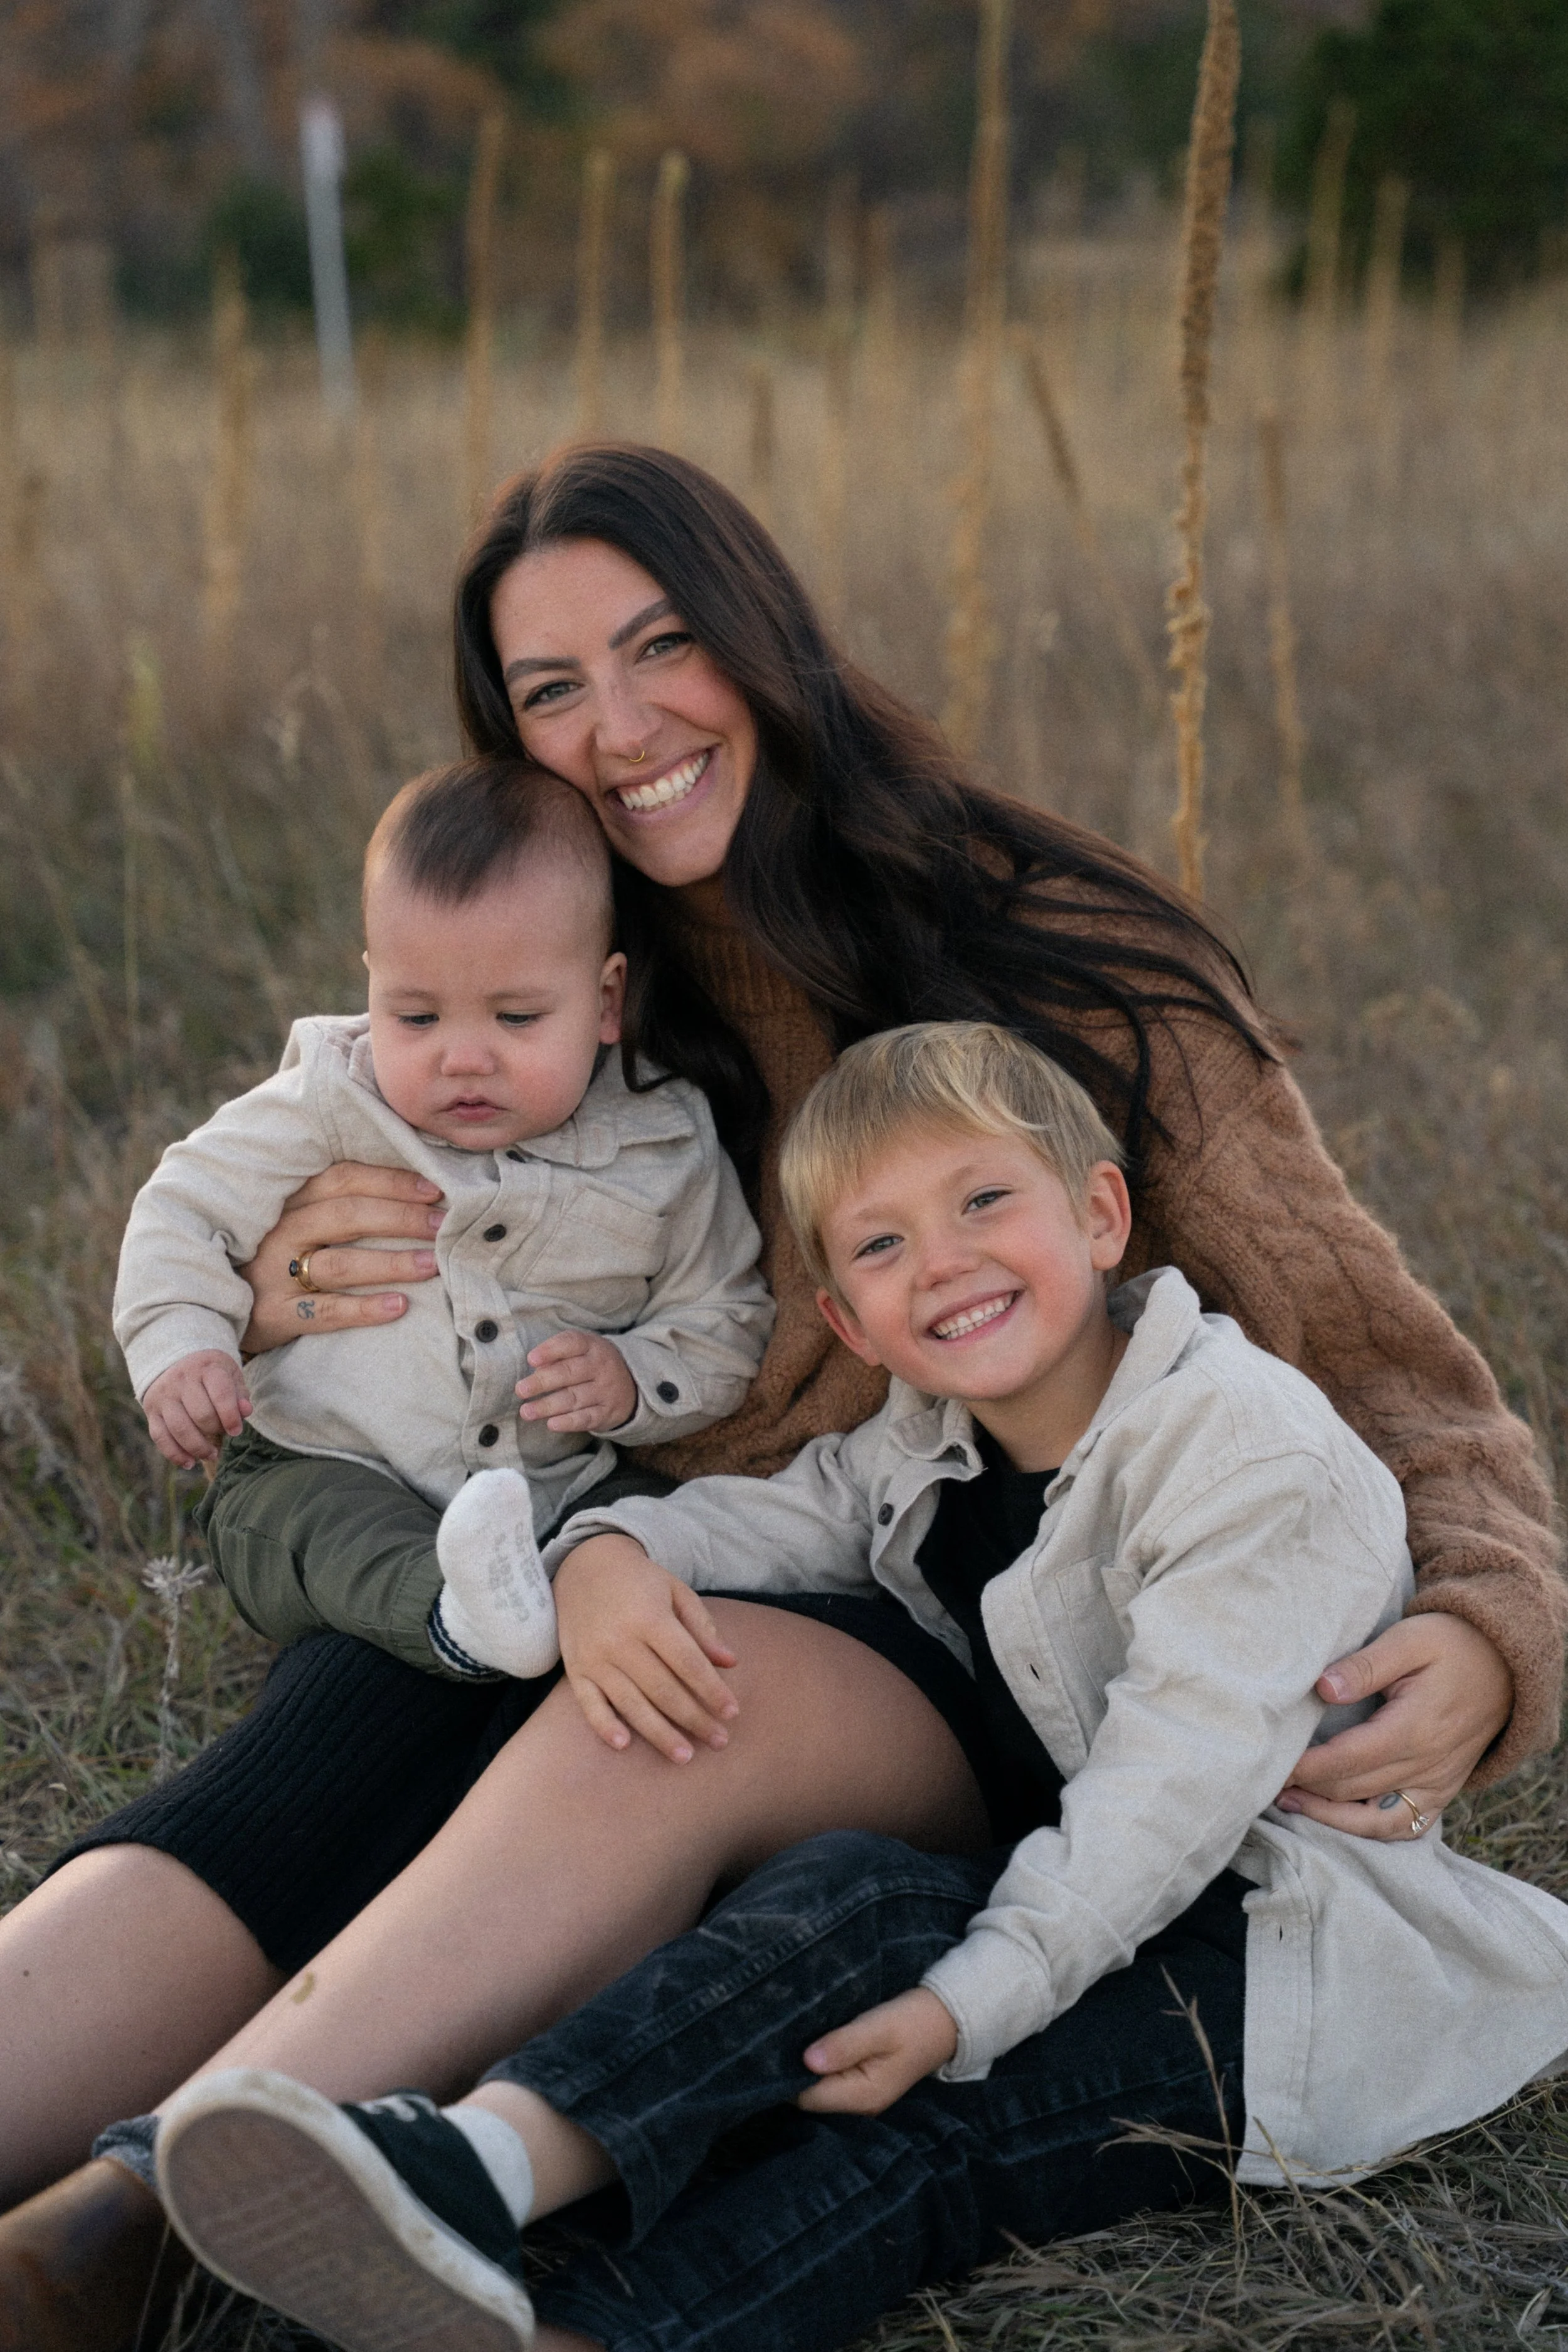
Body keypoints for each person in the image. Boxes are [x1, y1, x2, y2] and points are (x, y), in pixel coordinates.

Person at [0, 446, 1559, 2344]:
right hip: (648, 1549)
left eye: (662, 649)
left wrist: (1492, 1619)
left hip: (997, 1650)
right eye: (551, 691)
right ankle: (53, 2205)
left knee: (667, 1689)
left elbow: (1397, 1376)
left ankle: (139, 2214)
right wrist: (268, 1291)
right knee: (383, 1687)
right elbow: (336, 1226)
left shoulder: (1064, 960)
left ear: (764, 641)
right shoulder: (545, 991)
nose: (623, 727)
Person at [134, 1023, 1568, 2352]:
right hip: (1068, 1890)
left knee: (918, 2130)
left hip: (1269, 1955)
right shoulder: (930, 1433)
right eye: (884, 1243)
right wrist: (611, 1551)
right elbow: (787, 1511)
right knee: (830, 1902)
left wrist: (970, 2000)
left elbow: (1167, 1797)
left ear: (1100, 1216)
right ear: (850, 1318)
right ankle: (472, 2171)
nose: (941, 1262)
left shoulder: (1243, 1458)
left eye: (982, 1204)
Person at [115, 755, 772, 1682]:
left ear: (606, 999)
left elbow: (728, 1316)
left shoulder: (663, 1146)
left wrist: (634, 1377)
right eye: (416, 1016)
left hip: (559, 1482)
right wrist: (183, 1343)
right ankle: (456, 1618)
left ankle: (555, 1607)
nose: (464, 1058)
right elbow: (183, 1206)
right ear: (371, 986)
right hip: (329, 1459)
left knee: (642, 1517)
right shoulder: (329, 1097)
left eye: (515, 1017)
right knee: (304, 1528)